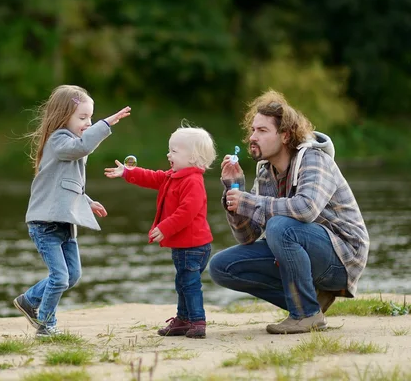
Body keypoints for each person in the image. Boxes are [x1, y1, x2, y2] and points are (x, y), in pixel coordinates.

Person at [208, 90, 370, 334]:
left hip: (343, 256)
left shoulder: (314, 159)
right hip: (303, 247)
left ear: (284, 135)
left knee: (279, 226)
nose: (252, 137)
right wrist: (236, 190)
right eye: (252, 130)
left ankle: (305, 314)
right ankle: (309, 302)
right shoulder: (265, 172)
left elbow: (305, 209)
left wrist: (249, 201)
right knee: (222, 266)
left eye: (262, 131)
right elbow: (248, 237)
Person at [14, 85, 131, 338]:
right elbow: (83, 147)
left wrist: (87, 201)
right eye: (83, 118)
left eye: (91, 118)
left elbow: (66, 185)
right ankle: (46, 325)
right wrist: (106, 123)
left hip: (65, 223)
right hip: (45, 224)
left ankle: (29, 300)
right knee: (59, 277)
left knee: (72, 275)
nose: (88, 123)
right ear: (62, 116)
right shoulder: (58, 141)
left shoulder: (71, 144)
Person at [104, 123, 216, 338]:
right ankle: (183, 319)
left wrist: (164, 227)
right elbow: (152, 177)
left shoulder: (192, 181)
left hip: (193, 246)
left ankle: (197, 321)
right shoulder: (174, 176)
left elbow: (187, 211)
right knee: (183, 281)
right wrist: (128, 172)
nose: (168, 154)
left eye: (174, 151)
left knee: (189, 283)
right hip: (184, 245)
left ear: (193, 157)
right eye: (169, 149)